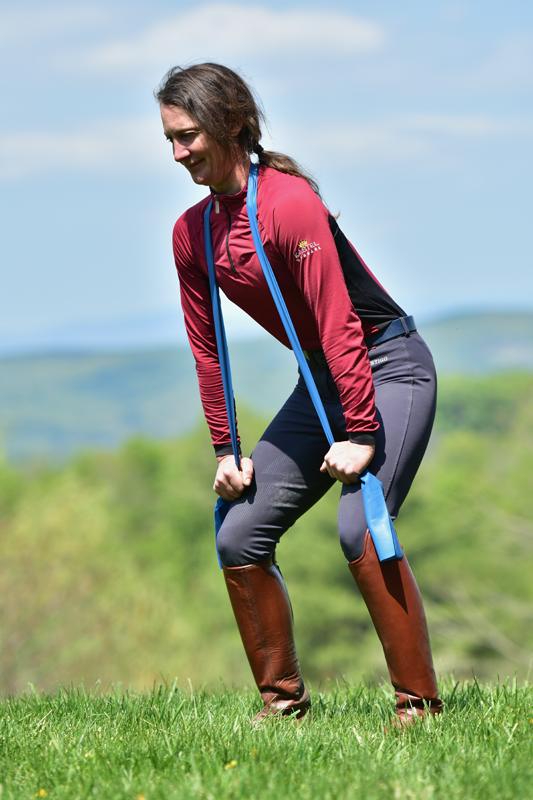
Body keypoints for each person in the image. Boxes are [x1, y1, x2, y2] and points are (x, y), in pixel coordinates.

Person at [156, 62, 443, 724]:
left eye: (189, 135)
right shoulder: (191, 233)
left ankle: (418, 708)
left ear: (231, 125)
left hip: (388, 367)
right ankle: (281, 707)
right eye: (168, 139)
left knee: (359, 525)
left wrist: (363, 435)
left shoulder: (287, 203)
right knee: (239, 532)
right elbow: (207, 348)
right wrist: (226, 448)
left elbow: (341, 322)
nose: (178, 153)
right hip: (322, 381)